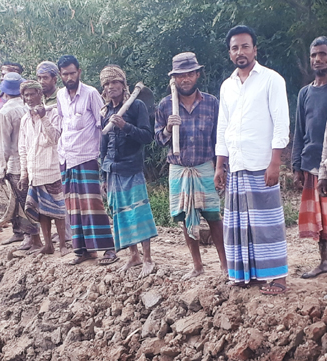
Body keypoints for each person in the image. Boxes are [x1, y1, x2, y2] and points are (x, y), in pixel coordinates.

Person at [216, 25, 290, 294]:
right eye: (235, 48)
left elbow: (281, 125)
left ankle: (279, 278)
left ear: (255, 49)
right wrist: (219, 166)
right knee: (240, 225)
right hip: (236, 166)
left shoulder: (272, 80)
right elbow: (223, 127)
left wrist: (275, 163)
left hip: (262, 165)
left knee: (267, 225)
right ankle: (248, 275)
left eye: (245, 46)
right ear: (230, 53)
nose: (240, 52)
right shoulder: (227, 86)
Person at [154, 52, 227, 279]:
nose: (185, 79)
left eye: (189, 74)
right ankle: (197, 266)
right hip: (178, 169)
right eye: (180, 76)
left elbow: (220, 138)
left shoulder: (211, 103)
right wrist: (167, 128)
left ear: (197, 75)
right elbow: (157, 139)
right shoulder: (166, 105)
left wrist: (220, 168)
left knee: (213, 216)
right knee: (185, 218)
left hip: (205, 165)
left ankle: (225, 266)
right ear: (174, 79)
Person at [56, 55, 118, 266]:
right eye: (65, 74)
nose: (69, 77)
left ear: (79, 72)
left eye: (73, 72)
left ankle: (109, 249)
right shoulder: (60, 96)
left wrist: (104, 157)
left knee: (93, 204)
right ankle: (83, 251)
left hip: (87, 156)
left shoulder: (91, 93)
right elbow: (62, 126)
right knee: (73, 207)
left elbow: (104, 127)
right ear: (60, 76)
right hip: (66, 157)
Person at [100, 64, 158, 278]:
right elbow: (103, 146)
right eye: (106, 83)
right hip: (113, 170)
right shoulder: (105, 111)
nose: (110, 86)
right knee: (121, 214)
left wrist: (125, 126)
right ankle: (133, 255)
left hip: (132, 168)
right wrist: (103, 175)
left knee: (139, 212)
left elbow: (146, 136)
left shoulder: (136, 106)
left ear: (123, 84)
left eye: (115, 81)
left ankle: (148, 258)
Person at [18, 80, 69, 256]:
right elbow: (22, 148)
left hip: (51, 168)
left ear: (40, 95)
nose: (30, 98)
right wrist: (24, 174)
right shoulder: (24, 120)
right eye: (26, 95)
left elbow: (55, 138)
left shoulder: (52, 113)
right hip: (34, 171)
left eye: (33, 94)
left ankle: (63, 244)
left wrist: (43, 117)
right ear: (22, 98)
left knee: (58, 209)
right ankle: (48, 245)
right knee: (42, 212)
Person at [0, 72, 40, 247]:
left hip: (15, 161)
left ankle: (29, 236)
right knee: (29, 198)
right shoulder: (29, 106)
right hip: (33, 157)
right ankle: (21, 233)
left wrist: (2, 166)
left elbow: (4, 143)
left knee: (21, 200)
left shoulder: (5, 111)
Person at [305, 36, 327, 279]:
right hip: (311, 164)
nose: (318, 59)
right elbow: (301, 130)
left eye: (322, 54)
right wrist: (297, 165)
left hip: (326, 163)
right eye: (314, 55)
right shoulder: (305, 93)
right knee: (320, 222)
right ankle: (323, 262)